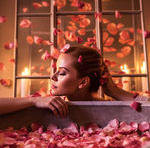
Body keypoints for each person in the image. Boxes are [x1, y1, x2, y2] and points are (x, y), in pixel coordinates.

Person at [0, 46, 147, 117]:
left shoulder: (111, 109)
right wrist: (34, 101)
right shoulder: (49, 104)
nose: (53, 77)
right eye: (56, 69)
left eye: (62, 73)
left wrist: (114, 91)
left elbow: (147, 108)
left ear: (83, 83)